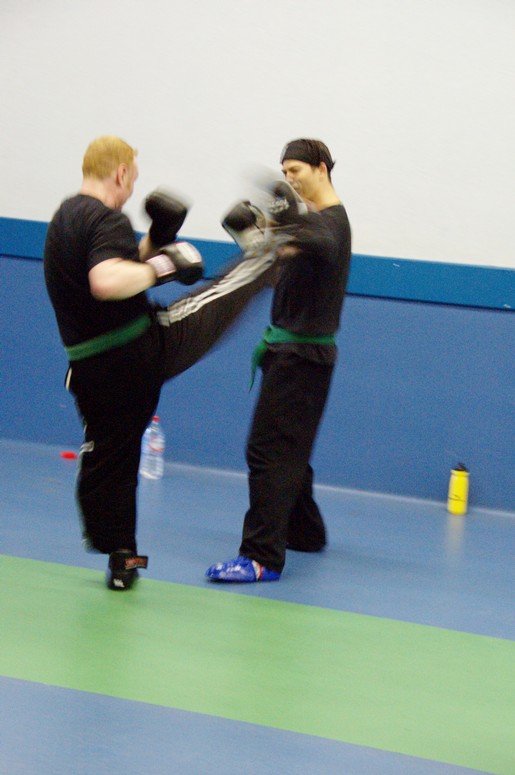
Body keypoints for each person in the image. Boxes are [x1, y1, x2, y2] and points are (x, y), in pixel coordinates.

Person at [43, 135, 287, 591]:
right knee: (215, 299)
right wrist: (165, 265)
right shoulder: (105, 217)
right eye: (131, 179)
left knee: (112, 456)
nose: (130, 191)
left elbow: (115, 267)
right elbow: (106, 280)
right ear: (120, 172)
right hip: (137, 351)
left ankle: (122, 557)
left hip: (91, 371)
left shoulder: (64, 219)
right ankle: (268, 254)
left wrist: (157, 239)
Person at [206, 138, 352, 582]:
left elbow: (316, 241)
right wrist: (257, 239)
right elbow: (284, 257)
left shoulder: (331, 224)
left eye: (296, 171)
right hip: (289, 351)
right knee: (292, 449)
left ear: (321, 168)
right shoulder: (311, 224)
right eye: (284, 172)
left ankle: (261, 557)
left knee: (269, 450)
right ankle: (305, 532)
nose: (289, 179)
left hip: (301, 356)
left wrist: (283, 223)